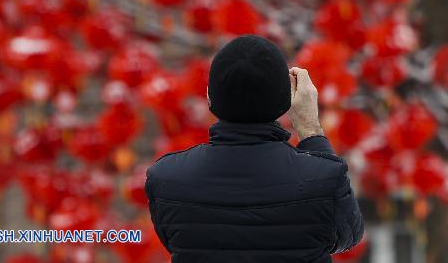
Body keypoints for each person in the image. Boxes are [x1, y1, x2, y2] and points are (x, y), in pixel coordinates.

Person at [145, 34, 364, 262]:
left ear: (210, 97)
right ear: (287, 101)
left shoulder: (166, 179)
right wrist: (310, 130)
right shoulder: (323, 179)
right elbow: (348, 235)